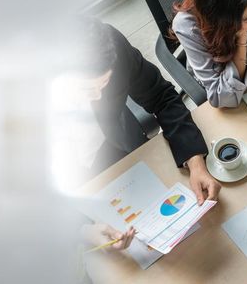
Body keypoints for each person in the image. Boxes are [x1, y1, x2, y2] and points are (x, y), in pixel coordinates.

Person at [82, 20, 220, 204]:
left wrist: (194, 161)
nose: (97, 98)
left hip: (127, 149)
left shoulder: (109, 44)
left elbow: (160, 96)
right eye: (86, 90)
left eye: (103, 85)